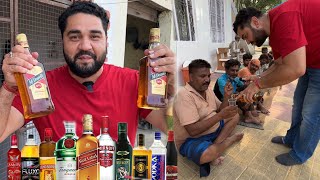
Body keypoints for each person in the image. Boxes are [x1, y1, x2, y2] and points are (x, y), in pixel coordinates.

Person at [0, 1, 176, 145]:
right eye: (74, 37)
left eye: (95, 36)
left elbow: (172, 128)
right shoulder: (38, 86)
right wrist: (8, 88)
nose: (85, 45)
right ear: (62, 40)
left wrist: (174, 88)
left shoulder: (134, 82)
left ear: (106, 41)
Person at [233, 0, 320, 166]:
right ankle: (292, 139)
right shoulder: (275, 31)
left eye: (246, 36)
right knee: (298, 105)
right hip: (312, 63)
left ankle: (300, 154)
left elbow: (295, 69)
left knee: (312, 114)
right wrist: (258, 78)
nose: (249, 42)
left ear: (255, 22)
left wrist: (257, 85)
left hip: (316, 65)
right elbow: (279, 64)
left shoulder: (285, 17)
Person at [173, 59, 243, 177]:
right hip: (191, 139)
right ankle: (228, 141)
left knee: (235, 115)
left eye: (208, 76)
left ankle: (216, 144)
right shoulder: (184, 96)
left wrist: (226, 96)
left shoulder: (208, 90)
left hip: (212, 127)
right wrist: (220, 116)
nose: (207, 79)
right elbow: (193, 130)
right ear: (191, 77)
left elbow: (220, 110)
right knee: (206, 154)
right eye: (202, 76)